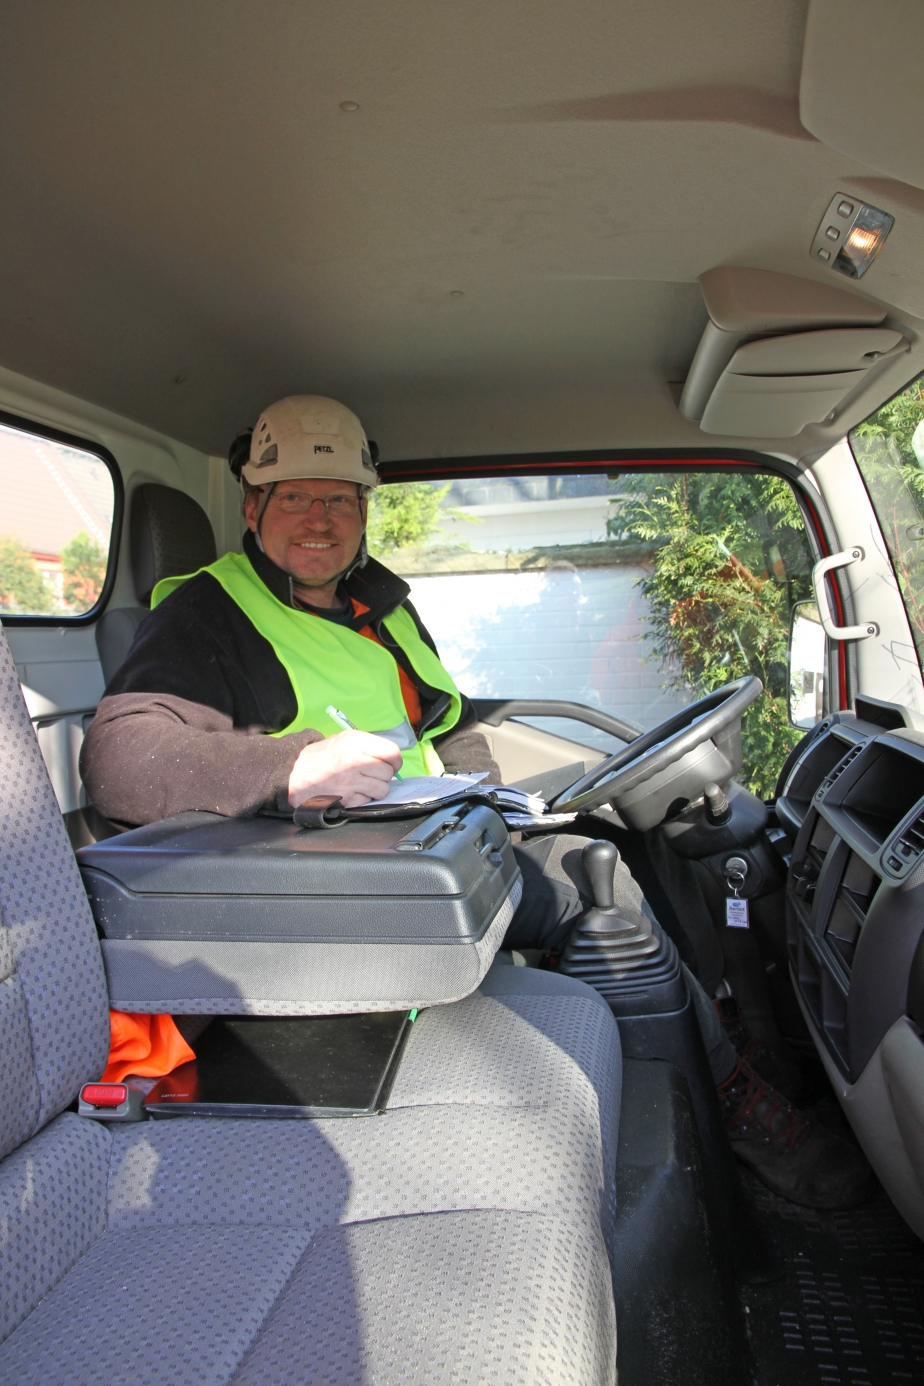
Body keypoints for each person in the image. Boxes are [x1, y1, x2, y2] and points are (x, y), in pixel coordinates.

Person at [81, 394, 871, 1209]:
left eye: (340, 499)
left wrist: (490, 794)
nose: (319, 518)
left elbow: (445, 721)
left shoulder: (378, 605)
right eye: (295, 497)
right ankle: (728, 1106)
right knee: (596, 901)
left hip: (438, 836)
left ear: (363, 510)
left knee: (619, 850)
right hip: (351, 884)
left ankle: (717, 1048)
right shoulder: (205, 612)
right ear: (252, 506)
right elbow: (119, 757)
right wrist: (293, 766)